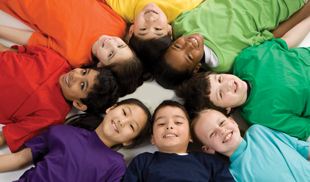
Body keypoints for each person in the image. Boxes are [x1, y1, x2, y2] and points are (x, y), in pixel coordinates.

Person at [177, 15, 310, 140]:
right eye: (221, 94)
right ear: (226, 110)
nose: (227, 85)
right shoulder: (260, 118)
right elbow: (305, 130)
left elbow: (287, 41)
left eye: (219, 79)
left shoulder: (245, 59)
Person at [154, 0, 309, 89]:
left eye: (177, 46)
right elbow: (273, 37)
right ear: (196, 68)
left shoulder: (179, 26)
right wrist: (306, 11)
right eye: (188, 56)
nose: (189, 44)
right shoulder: (225, 63)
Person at [0, 0, 143, 95]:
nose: (111, 43)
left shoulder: (75, 58)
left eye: (110, 54)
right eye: (120, 45)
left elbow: (30, 38)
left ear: (101, 65)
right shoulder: (118, 25)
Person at [0, 43, 119, 153]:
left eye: (82, 85)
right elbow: (10, 50)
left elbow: (7, 136)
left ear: (79, 104)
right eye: (84, 72)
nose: (75, 75)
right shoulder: (58, 61)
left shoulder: (52, 116)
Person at [0, 99, 151, 182]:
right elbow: (19, 159)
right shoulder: (63, 132)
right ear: (111, 108)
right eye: (124, 112)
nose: (122, 122)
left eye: (131, 126)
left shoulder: (117, 167)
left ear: (129, 142)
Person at [122, 100, 234, 182]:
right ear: (152, 139)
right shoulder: (142, 162)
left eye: (178, 122)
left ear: (191, 136)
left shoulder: (210, 163)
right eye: (161, 124)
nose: (169, 126)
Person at [192, 109, 310, 181]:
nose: (221, 130)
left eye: (222, 123)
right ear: (208, 149)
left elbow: (301, 148)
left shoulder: (259, 132)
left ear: (232, 121)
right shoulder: (233, 176)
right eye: (212, 133)